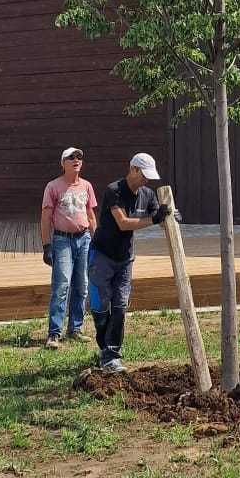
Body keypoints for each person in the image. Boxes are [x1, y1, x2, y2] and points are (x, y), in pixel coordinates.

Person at [86, 151, 172, 369]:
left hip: (125, 259)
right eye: (144, 175)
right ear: (133, 169)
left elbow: (160, 219)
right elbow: (123, 223)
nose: (146, 180)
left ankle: (112, 355)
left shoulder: (147, 194)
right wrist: (153, 219)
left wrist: (168, 215)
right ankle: (105, 347)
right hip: (102, 256)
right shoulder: (114, 191)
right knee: (100, 306)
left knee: (120, 306)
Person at [40, 147, 97, 348]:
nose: (76, 160)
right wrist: (47, 245)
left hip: (84, 240)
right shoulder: (53, 186)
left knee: (82, 285)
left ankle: (75, 329)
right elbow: (46, 217)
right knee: (62, 284)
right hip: (62, 241)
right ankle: (54, 333)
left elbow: (90, 215)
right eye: (71, 157)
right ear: (62, 163)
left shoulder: (87, 186)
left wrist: (95, 242)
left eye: (79, 157)